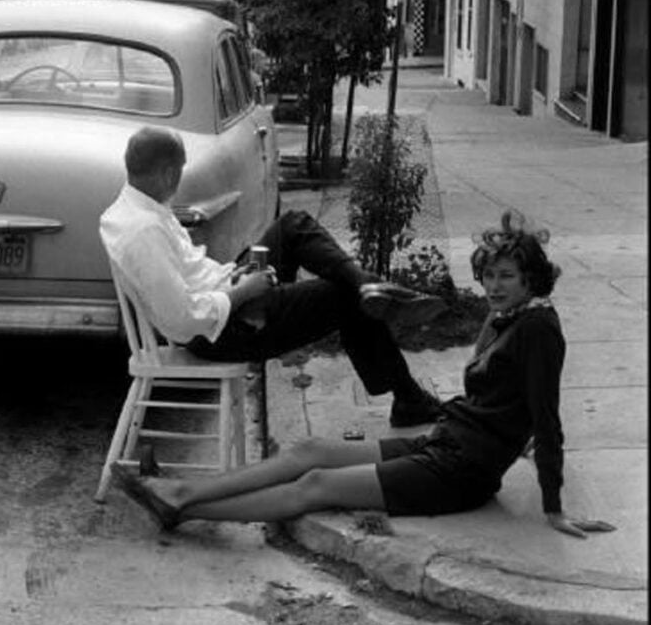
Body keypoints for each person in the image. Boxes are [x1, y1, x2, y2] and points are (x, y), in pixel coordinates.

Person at [111, 206, 617, 540]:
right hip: (445, 441)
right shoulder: (506, 317)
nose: (494, 287)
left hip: (460, 474)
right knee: (308, 452)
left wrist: (554, 506)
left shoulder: (538, 331)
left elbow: (546, 417)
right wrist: (518, 434)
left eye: (507, 277)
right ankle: (179, 493)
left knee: (316, 484)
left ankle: (182, 501)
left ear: (532, 278)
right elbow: (513, 404)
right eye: (488, 276)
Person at [99, 125, 446, 430]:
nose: (178, 181)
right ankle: (407, 394)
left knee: (292, 225)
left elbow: (192, 275)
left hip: (222, 298)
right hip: (219, 334)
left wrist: (232, 275)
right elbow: (183, 320)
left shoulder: (138, 207)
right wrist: (243, 292)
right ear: (166, 173)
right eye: (178, 172)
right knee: (342, 298)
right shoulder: (144, 231)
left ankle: (365, 283)